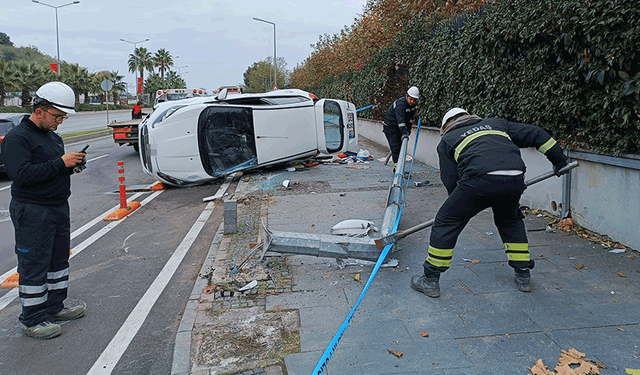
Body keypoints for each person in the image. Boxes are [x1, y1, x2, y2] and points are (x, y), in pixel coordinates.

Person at [411, 108, 570, 298]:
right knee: (510, 221)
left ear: (445, 126)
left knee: (446, 221)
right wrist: (559, 161)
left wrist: (461, 206)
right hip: (514, 178)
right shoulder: (497, 124)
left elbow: (450, 179)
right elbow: (536, 134)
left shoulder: (448, 139)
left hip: (478, 180)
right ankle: (523, 276)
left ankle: (430, 280)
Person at [1, 81, 87, 339]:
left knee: (57, 262)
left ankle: (54, 307)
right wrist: (60, 163)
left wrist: (71, 166)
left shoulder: (52, 137)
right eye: (57, 116)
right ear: (40, 110)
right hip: (32, 211)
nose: (59, 122)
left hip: (57, 207)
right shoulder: (18, 138)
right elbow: (22, 174)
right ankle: (32, 319)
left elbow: (52, 168)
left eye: (63, 118)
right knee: (34, 265)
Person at [382, 86, 419, 171]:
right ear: (407, 96)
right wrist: (403, 132)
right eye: (411, 99)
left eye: (414, 100)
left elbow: (409, 120)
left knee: (400, 147)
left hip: (398, 127)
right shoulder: (400, 105)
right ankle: (397, 169)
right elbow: (401, 121)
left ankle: (399, 167)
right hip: (390, 126)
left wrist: (408, 130)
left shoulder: (412, 106)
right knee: (396, 148)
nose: (412, 101)